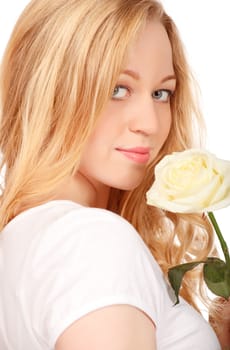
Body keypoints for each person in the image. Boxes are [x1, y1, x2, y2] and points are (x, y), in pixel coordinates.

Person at [0, 0, 226, 349]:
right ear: (48, 89)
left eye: (161, 93)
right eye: (117, 89)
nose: (150, 124)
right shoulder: (91, 240)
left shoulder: (21, 239)